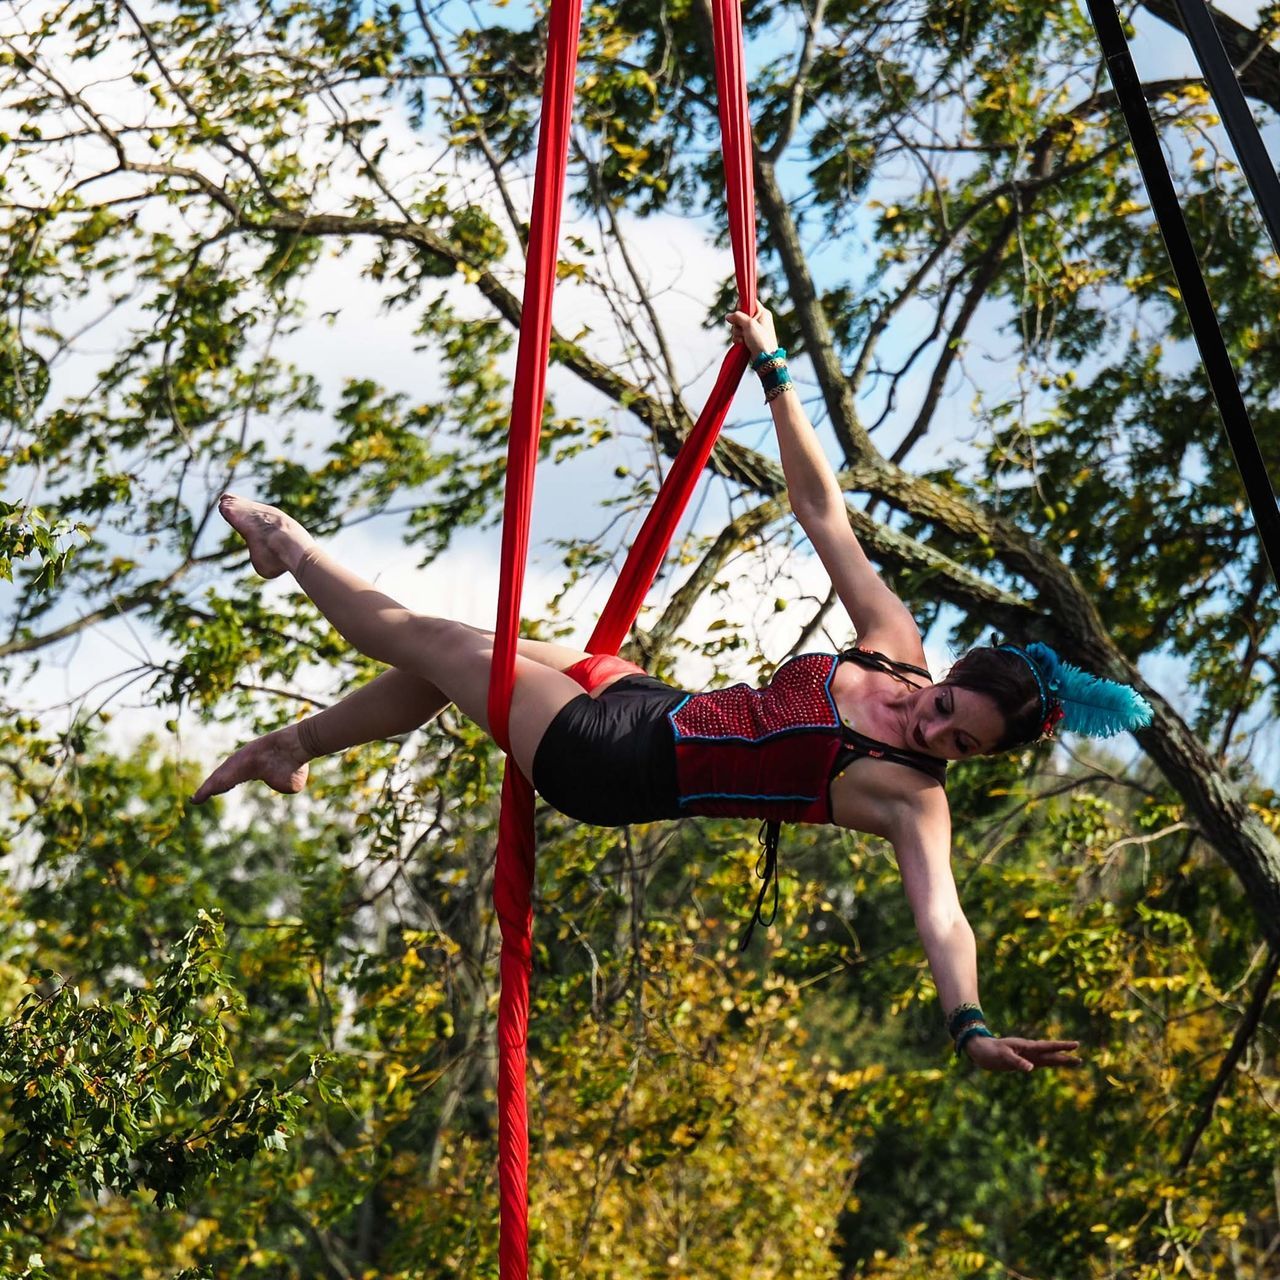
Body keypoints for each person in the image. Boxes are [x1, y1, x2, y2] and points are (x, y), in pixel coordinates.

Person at [193, 305, 1150, 1073]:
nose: (931, 730)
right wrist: (775, 373)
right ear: (945, 677)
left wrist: (970, 1024)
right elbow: (822, 511)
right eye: (945, 708)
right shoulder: (895, 642)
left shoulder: (910, 799)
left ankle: (286, 547)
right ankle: (295, 748)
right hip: (653, 700)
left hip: (612, 763)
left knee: (437, 642)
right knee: (445, 666)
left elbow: (942, 912)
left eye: (960, 748)